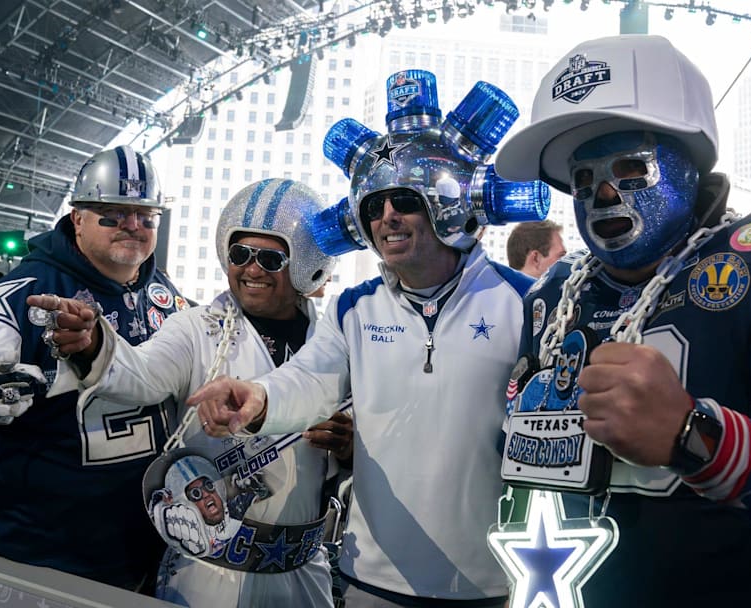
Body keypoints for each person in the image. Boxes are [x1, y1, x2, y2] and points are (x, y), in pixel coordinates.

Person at [492, 34, 751, 607]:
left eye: (629, 168)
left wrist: (693, 436)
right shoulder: (554, 289)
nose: (604, 195)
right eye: (584, 180)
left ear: (688, 161)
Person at [189, 73, 549, 606]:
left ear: (448, 202)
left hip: (495, 582)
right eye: (374, 204)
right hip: (370, 579)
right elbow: (312, 378)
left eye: (404, 199)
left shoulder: (527, 302)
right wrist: (259, 397)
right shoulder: (353, 307)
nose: (386, 217)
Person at [35, 178, 352, 607]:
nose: (252, 269)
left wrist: (350, 446)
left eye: (271, 258)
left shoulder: (333, 343)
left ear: (307, 263)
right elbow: (141, 374)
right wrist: (95, 345)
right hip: (207, 575)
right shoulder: (195, 329)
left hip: (304, 570)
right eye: (241, 254)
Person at [0, 145, 184, 593]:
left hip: (148, 558)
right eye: (113, 214)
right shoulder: (17, 298)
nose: (133, 225)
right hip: (38, 562)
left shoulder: (168, 296)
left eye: (146, 216)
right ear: (78, 218)